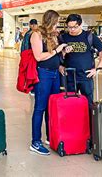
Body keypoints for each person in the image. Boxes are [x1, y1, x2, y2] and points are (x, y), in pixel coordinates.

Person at [30, 10, 72, 156]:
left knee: (52, 107)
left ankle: (50, 136)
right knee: (40, 107)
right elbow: (38, 57)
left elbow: (56, 54)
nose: (57, 25)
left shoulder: (54, 35)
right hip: (43, 74)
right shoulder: (36, 35)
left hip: (55, 74)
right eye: (56, 22)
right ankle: (35, 141)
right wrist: (56, 51)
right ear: (50, 21)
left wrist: (63, 51)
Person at [59, 14, 102, 107]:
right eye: (69, 27)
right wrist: (60, 65)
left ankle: (88, 121)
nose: (72, 30)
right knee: (70, 105)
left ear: (80, 24)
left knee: (88, 104)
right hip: (69, 76)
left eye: (75, 27)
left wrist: (98, 68)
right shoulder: (63, 37)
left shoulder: (89, 36)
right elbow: (57, 55)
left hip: (86, 76)